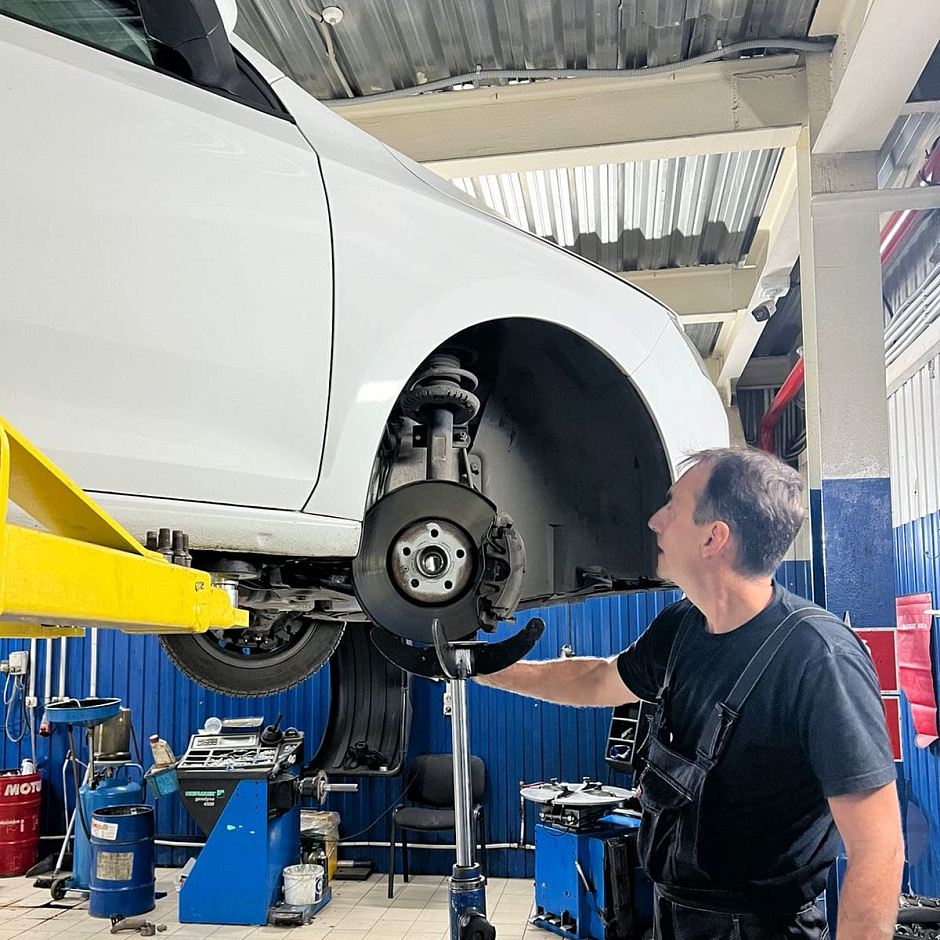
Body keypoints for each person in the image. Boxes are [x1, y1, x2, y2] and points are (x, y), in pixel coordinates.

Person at [477, 448, 904, 940]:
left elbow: (878, 849)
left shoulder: (820, 659)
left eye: (672, 507)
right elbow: (597, 680)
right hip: (673, 915)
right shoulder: (681, 626)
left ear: (713, 537)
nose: (655, 521)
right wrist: (485, 670)